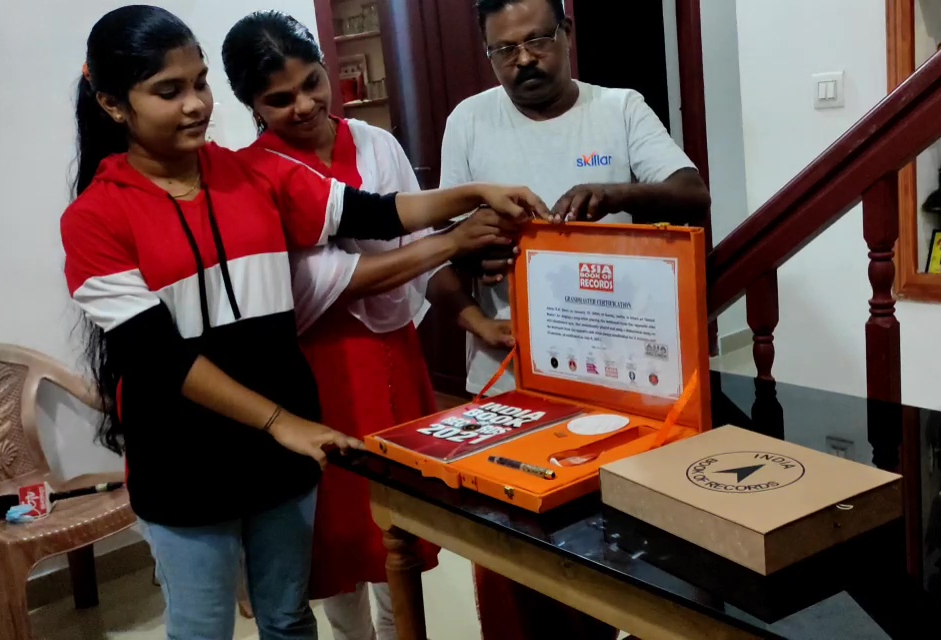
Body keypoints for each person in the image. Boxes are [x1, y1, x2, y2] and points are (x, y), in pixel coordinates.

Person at [62, 7, 545, 639]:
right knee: (203, 628)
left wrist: (476, 192)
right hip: (186, 463)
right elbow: (158, 357)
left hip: (280, 457)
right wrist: (283, 423)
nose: (195, 105)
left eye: (200, 83)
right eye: (168, 91)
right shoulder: (95, 218)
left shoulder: (254, 174)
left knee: (288, 618)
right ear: (113, 104)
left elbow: (373, 212)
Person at [221, 12, 515, 640]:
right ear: (250, 103)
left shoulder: (376, 144)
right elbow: (337, 279)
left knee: (401, 522)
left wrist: (471, 320)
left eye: (313, 83)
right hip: (318, 367)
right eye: (279, 98)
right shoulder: (255, 175)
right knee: (339, 530)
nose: (304, 105)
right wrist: (453, 238)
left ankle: (401, 630)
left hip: (393, 357)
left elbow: (418, 241)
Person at [439, 0, 710, 637]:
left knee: (612, 545)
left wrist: (616, 194)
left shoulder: (618, 108)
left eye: (537, 41)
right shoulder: (469, 120)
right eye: (504, 50)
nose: (524, 60)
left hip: (618, 369)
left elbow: (693, 194)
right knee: (515, 549)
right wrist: (477, 271)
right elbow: (448, 243)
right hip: (510, 369)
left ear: (566, 33)